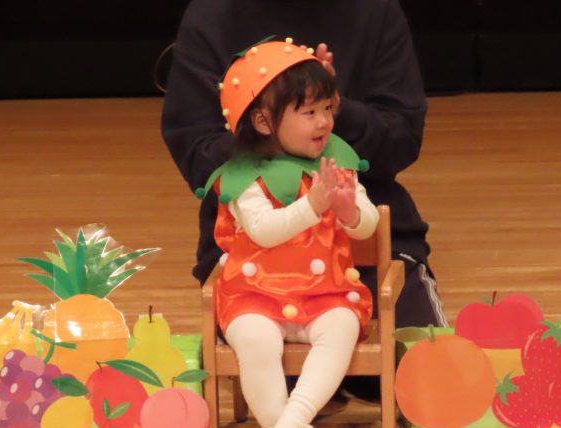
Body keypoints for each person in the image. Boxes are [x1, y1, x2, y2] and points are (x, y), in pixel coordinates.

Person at [161, 0, 447, 333]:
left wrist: (334, 109)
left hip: (369, 250)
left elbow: (403, 140)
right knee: (259, 357)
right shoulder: (212, 14)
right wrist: (276, 125)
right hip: (249, 262)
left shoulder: (374, 9)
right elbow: (198, 157)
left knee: (424, 359)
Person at [198, 39, 379, 428]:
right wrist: (312, 206)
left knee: (341, 329)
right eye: (309, 112)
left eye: (327, 108)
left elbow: (369, 223)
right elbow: (264, 232)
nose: (325, 121)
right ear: (263, 122)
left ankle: (296, 418)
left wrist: (351, 212)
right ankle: (276, 426)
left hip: (326, 292)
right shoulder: (244, 178)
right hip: (255, 294)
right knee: (254, 341)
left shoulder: (336, 164)